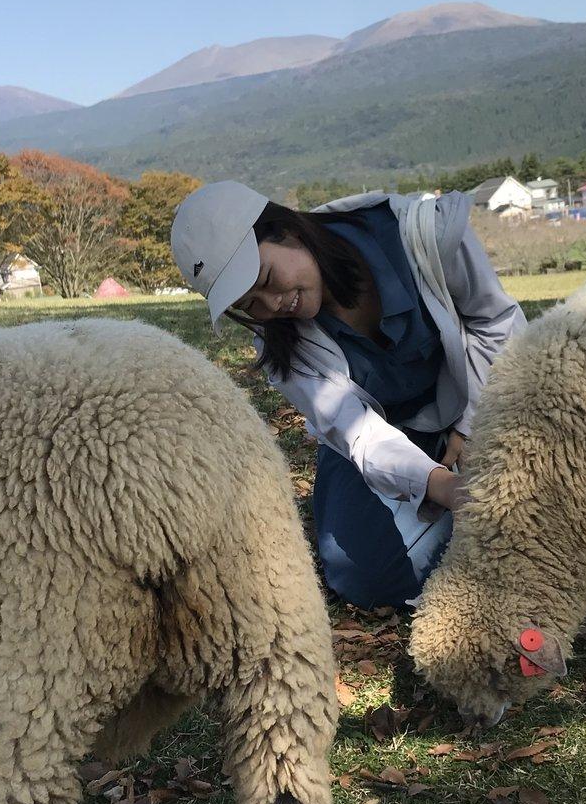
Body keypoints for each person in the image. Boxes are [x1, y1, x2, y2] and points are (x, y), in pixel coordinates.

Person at [170, 180, 525, 609]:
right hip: (381, 435)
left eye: (266, 278)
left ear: (289, 230)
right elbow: (360, 435)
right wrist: (444, 487)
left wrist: (470, 427)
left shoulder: (427, 235)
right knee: (361, 576)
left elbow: (497, 323)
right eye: (251, 304)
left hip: (474, 404)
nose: (274, 303)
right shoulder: (281, 346)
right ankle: (465, 532)